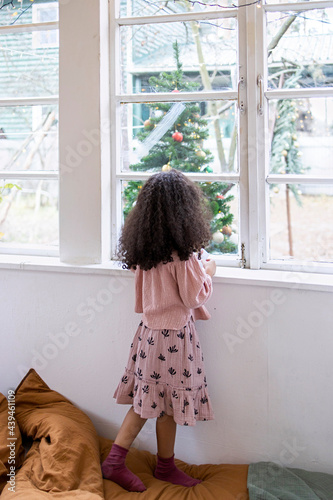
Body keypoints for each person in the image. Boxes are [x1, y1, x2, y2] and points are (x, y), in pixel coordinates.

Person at [102, 169, 216, 492]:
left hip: (150, 334)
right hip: (175, 338)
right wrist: (208, 270)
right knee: (154, 404)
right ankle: (114, 461)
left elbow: (143, 297)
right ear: (184, 212)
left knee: (157, 402)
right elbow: (195, 294)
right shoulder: (182, 256)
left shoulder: (146, 253)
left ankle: (165, 466)